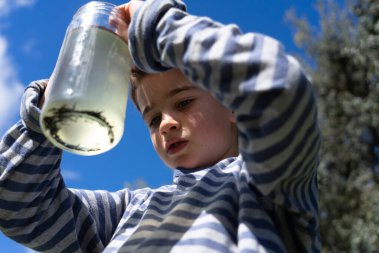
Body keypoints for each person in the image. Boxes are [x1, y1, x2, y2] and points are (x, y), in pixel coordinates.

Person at [0, 0, 321, 252]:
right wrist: (43, 117)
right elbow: (21, 209)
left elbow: (281, 88)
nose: (165, 124)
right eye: (152, 118)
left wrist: (157, 27)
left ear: (233, 105)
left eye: (183, 103)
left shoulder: (267, 185)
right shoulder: (127, 211)